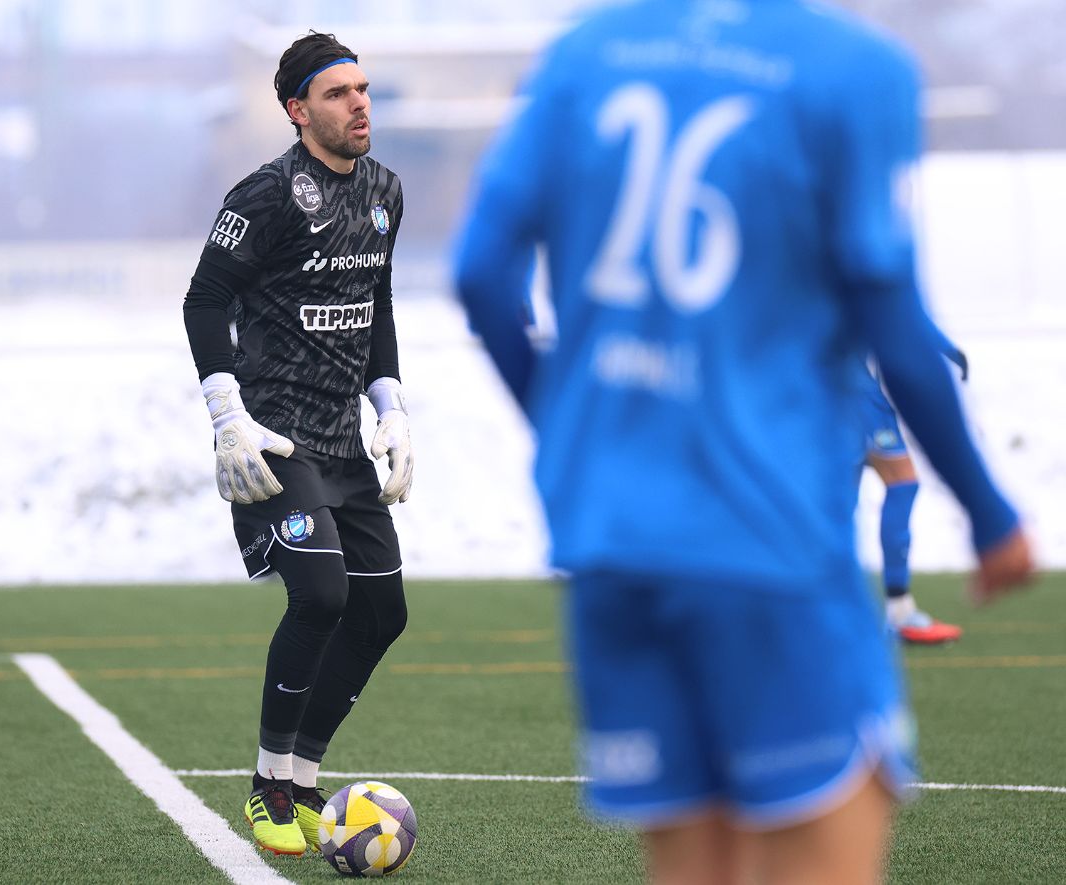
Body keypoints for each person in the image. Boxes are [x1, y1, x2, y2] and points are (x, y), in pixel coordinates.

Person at [454, 2, 1034, 883]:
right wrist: (989, 514)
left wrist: (568, 429)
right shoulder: (853, 65)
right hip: (768, 539)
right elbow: (892, 318)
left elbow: (479, 270)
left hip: (615, 544)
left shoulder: (586, 50)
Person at [183, 31, 412, 857]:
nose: (358, 104)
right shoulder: (267, 194)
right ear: (297, 110)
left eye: (363, 89)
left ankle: (303, 781)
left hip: (344, 444)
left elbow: (376, 303)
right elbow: (204, 300)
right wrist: (226, 415)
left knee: (382, 611)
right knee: (320, 595)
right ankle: (267, 783)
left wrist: (391, 405)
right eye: (338, 93)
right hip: (274, 440)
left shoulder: (384, 190)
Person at [859, 329, 968, 644]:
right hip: (855, 396)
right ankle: (900, 611)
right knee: (903, 483)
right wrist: (948, 349)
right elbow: (893, 317)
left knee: (838, 505)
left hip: (820, 396)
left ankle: (815, 616)